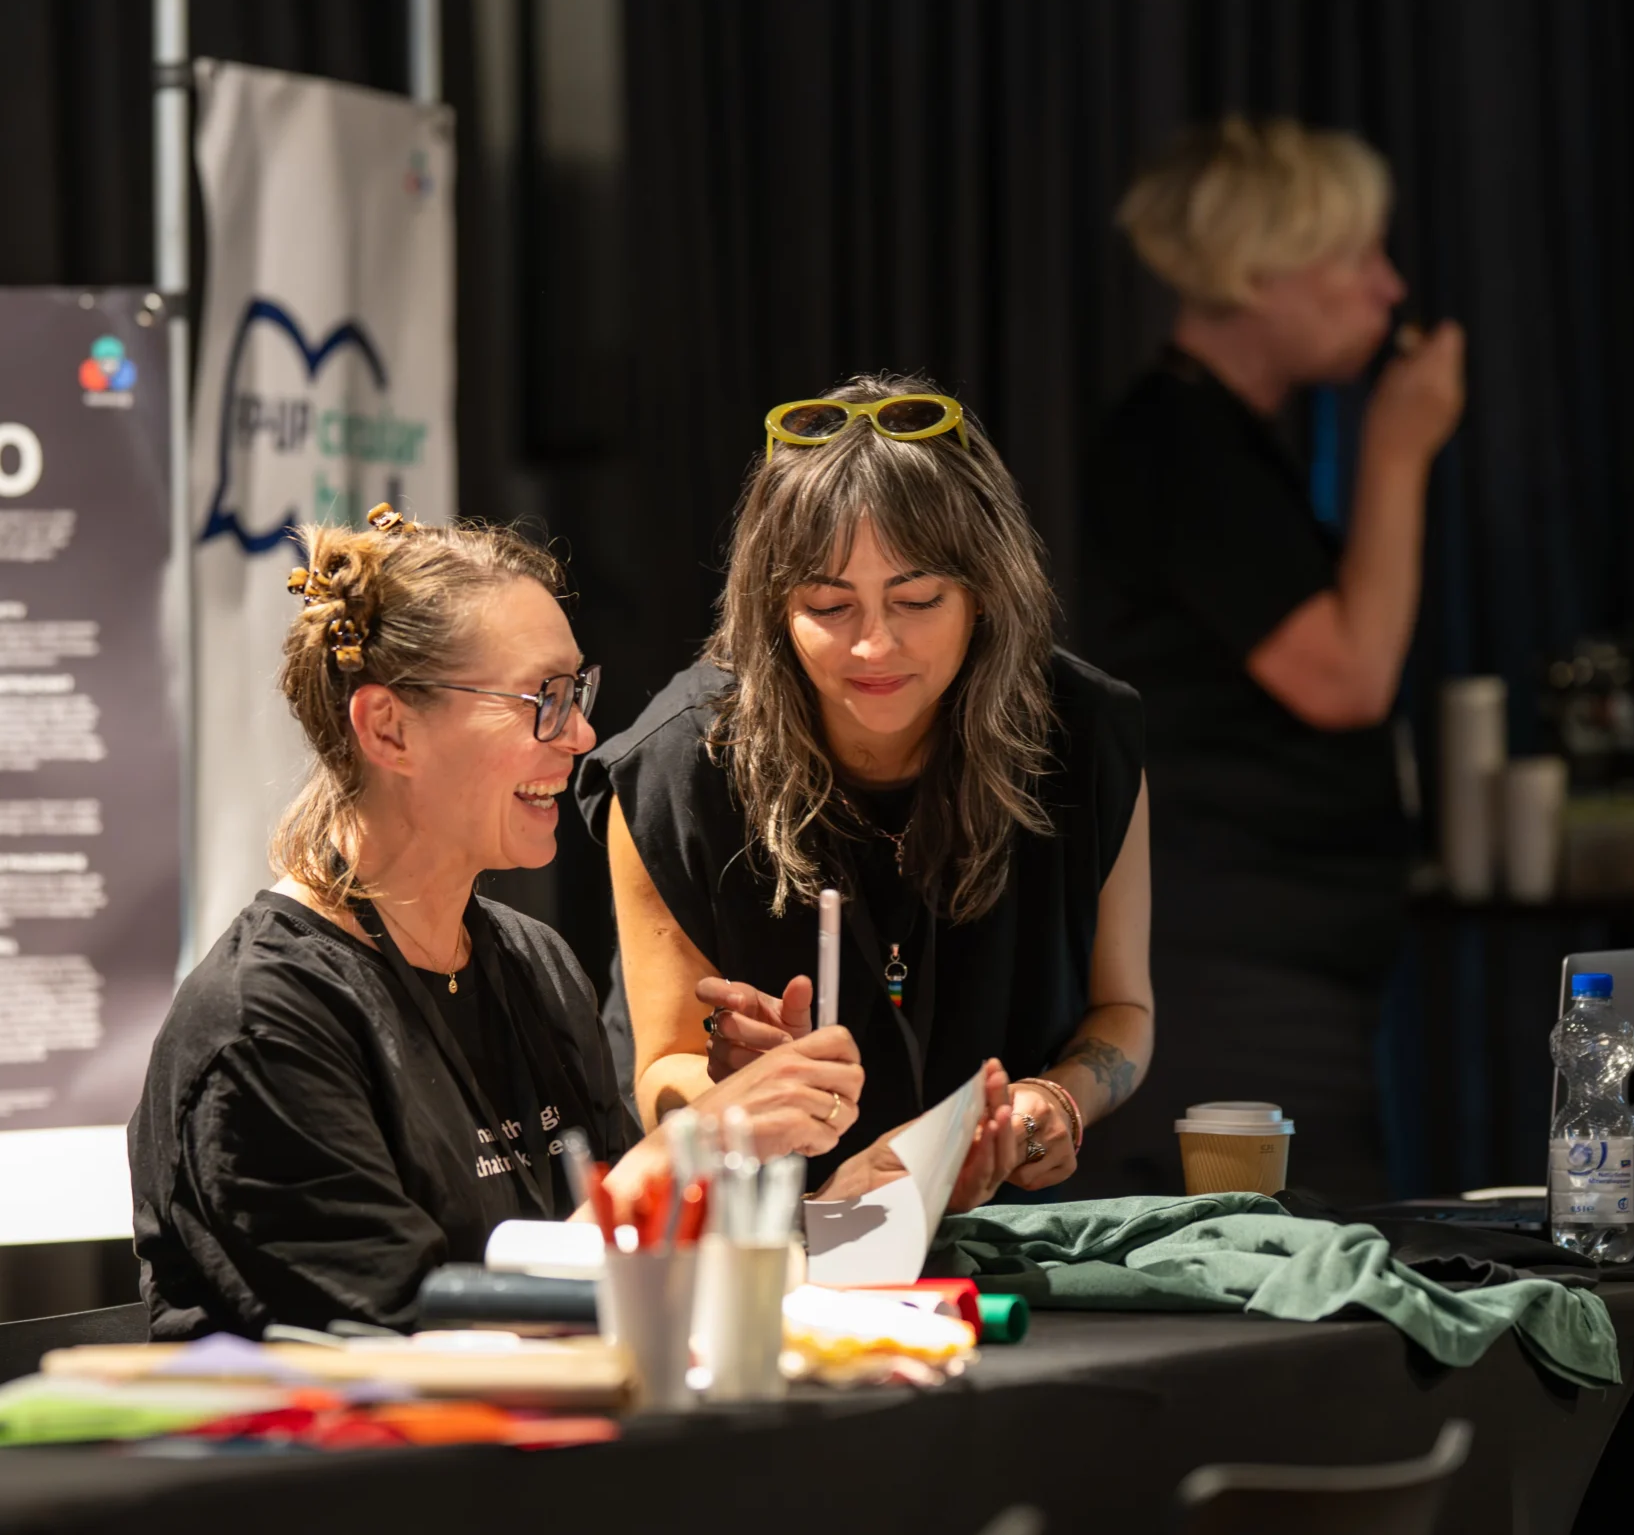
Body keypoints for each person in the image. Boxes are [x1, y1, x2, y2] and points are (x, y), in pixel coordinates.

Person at [132, 505, 1025, 1339]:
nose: (583, 736)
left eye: (578, 691)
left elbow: (623, 1266)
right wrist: (697, 1139)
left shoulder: (532, 964)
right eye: (543, 699)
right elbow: (405, 1326)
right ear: (389, 727)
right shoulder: (265, 1018)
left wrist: (845, 1215)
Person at [578, 381, 1153, 1193]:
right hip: (764, 1242)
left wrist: (1052, 1100)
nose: (875, 644)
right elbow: (662, 1066)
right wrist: (743, 1103)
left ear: (985, 592)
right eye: (828, 603)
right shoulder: (676, 764)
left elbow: (1124, 1010)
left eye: (918, 599)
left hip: (1007, 1236)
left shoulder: (1085, 732)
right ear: (772, 606)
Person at [1077, 116, 1465, 1203]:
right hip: (1228, 975)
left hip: (1275, 963)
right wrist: (1397, 451)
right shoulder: (1178, 445)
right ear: (1258, 275)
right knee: (1291, 1288)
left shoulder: (1230, 441)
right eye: (1357, 257)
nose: (1388, 289)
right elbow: (1344, 680)